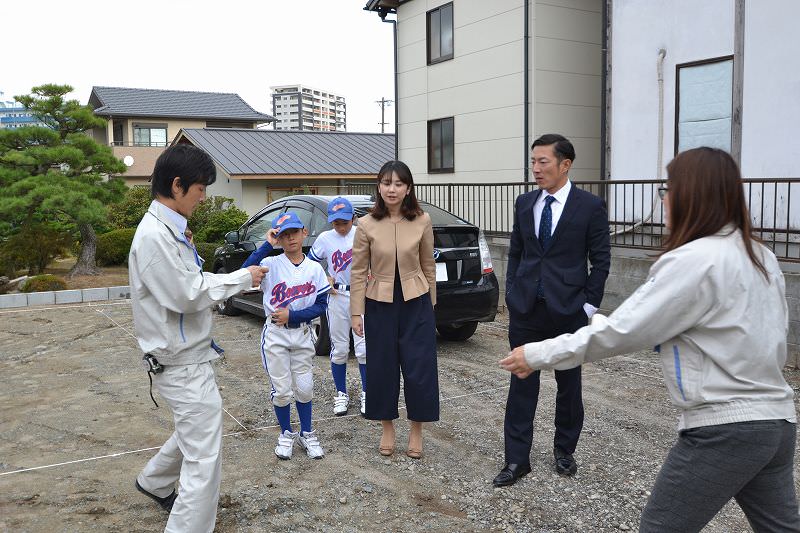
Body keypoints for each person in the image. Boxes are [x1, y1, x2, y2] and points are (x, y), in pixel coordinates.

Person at [500, 147, 799, 532]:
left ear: (692, 193)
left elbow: (624, 331)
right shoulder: (761, 255)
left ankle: (563, 449)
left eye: (667, 188)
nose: (663, 198)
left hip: (724, 426)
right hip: (777, 421)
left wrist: (538, 354)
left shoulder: (694, 259)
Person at [129, 144, 267, 533]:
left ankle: (154, 480)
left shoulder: (167, 230)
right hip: (180, 362)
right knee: (203, 459)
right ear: (176, 185)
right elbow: (187, 293)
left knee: (198, 429)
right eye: (200, 189)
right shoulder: (155, 237)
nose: (204, 197)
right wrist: (243, 278)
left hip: (184, 358)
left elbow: (185, 282)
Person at [494, 134, 611, 487]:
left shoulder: (589, 207)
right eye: (533, 161)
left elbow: (601, 260)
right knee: (521, 383)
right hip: (527, 309)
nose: (536, 168)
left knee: (569, 385)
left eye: (543, 161)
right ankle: (517, 460)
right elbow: (516, 252)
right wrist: (513, 290)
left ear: (565, 164)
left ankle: (564, 450)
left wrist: (588, 305)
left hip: (569, 310)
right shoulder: (525, 202)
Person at [350, 160, 439, 459]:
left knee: (420, 369)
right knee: (382, 367)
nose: (392, 189)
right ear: (379, 186)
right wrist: (355, 312)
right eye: (387, 183)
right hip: (379, 304)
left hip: (417, 302)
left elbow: (429, 265)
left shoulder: (422, 220)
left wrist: (432, 306)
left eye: (399, 183)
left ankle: (417, 429)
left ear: (408, 188)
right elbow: (358, 271)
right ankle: (387, 427)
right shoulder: (365, 224)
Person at [242, 211, 330, 460]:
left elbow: (322, 304)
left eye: (294, 232)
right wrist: (266, 245)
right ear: (278, 239)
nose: (290, 238)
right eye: (284, 235)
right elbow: (243, 272)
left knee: (304, 388)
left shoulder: (314, 268)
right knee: (282, 391)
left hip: (301, 333)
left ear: (304, 232)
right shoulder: (270, 264)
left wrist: (294, 316)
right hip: (276, 335)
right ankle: (286, 433)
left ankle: (307, 432)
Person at [308, 197, 367, 416]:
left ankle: (367, 392)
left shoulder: (362, 234)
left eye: (344, 221)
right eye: (336, 223)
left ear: (354, 218)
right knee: (340, 348)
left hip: (362, 294)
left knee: (363, 348)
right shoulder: (326, 238)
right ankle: (341, 393)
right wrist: (324, 278)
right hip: (338, 296)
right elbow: (309, 263)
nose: (341, 227)